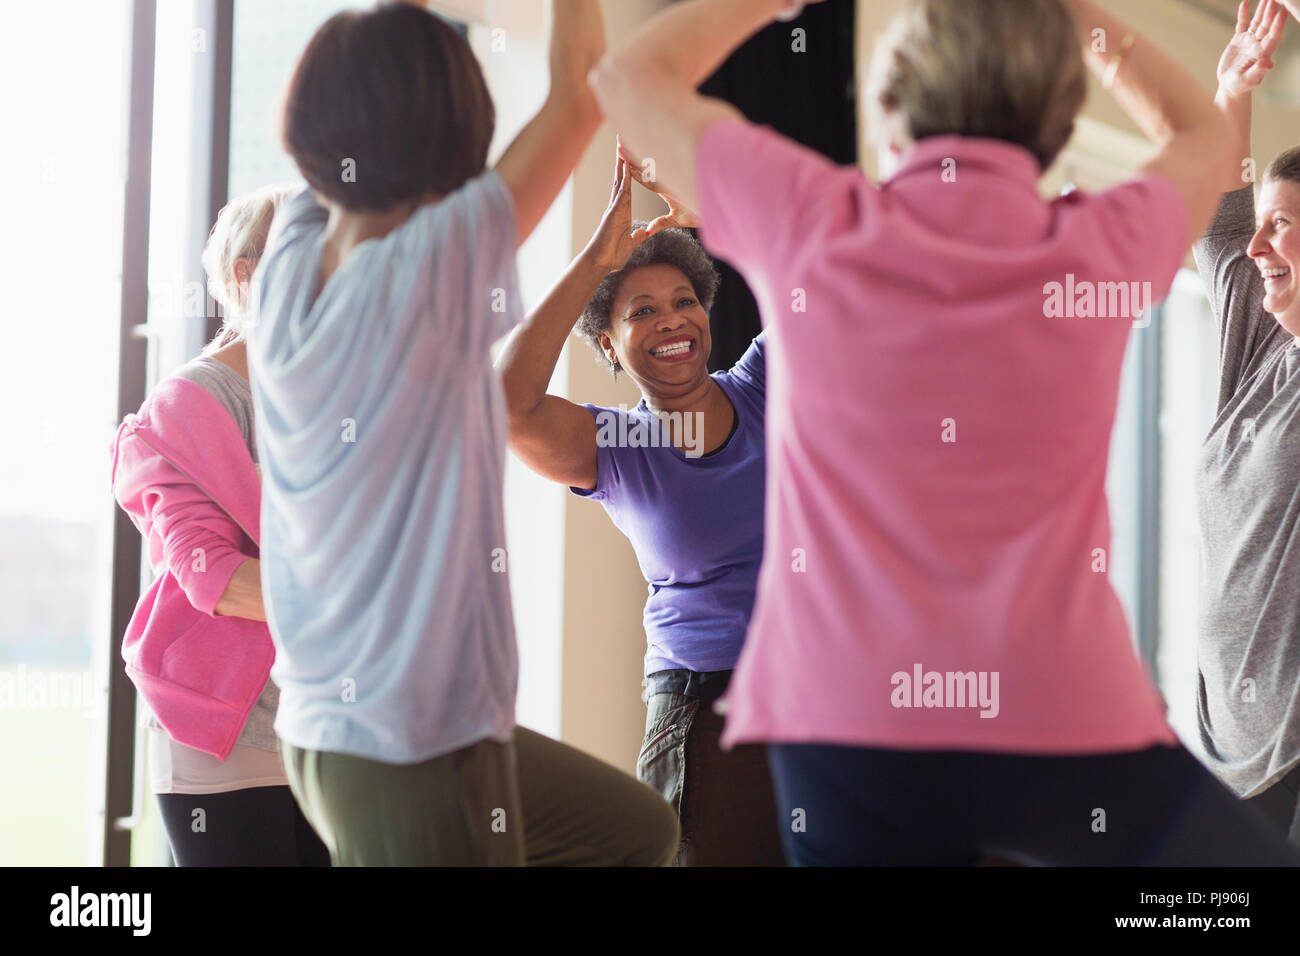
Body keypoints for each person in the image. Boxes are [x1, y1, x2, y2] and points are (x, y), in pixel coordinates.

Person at [590, 0, 1300, 864]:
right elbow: (1201, 134)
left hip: (848, 736)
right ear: (1055, 118)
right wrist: (1070, 17)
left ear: (889, 114)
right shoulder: (1096, 247)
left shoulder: (814, 222)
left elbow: (624, 79)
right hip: (1065, 724)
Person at [247, 0, 678, 866]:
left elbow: (353, 111)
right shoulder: (424, 273)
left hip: (348, 736)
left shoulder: (290, 266)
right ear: (454, 148)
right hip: (411, 748)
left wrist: (597, 258)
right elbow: (577, 92)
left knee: (636, 832)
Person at [498, 152, 783, 865]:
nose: (672, 321)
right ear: (609, 345)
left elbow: (834, 278)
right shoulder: (619, 443)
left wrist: (714, 209)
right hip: (705, 711)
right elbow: (507, 405)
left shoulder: (759, 387)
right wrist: (598, 261)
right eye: (642, 311)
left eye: (684, 300)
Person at [110, 185, 329, 866]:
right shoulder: (193, 401)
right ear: (244, 275)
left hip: (328, 727)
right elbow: (218, 580)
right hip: (225, 730)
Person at [1193, 0, 1300, 846]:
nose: (1261, 245)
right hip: (1229, 746)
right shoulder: (1254, 347)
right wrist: (1232, 92)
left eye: (1286, 226)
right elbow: (1225, 226)